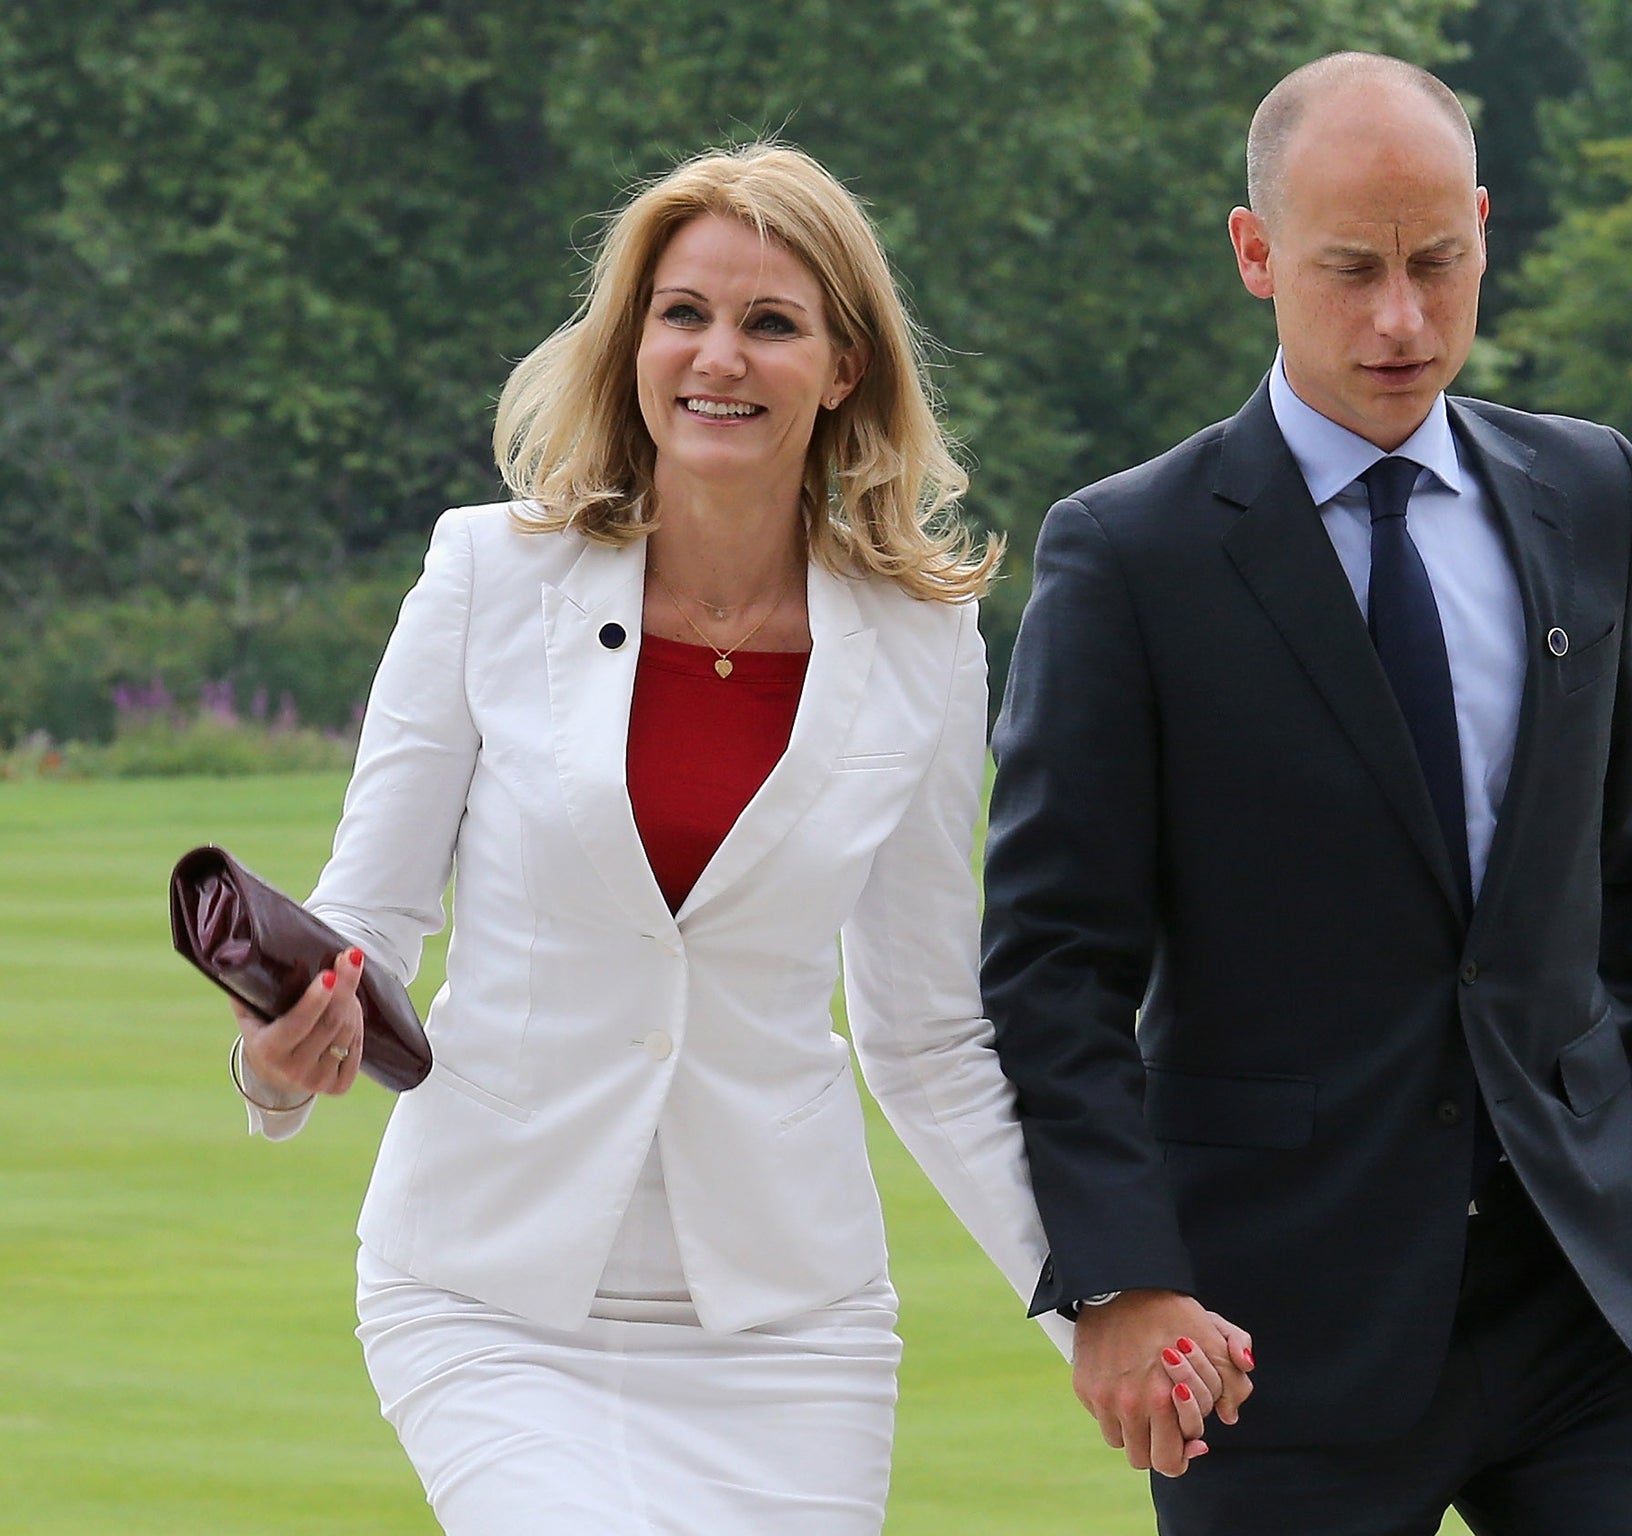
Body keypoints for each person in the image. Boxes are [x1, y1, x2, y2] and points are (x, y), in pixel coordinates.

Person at [224, 143, 1131, 1535]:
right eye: (683, 313)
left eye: (771, 323)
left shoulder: (925, 644)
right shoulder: (486, 573)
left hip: (793, 1330)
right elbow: (366, 929)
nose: (720, 356)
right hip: (487, 1295)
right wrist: (279, 1059)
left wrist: (1096, 1309)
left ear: (843, 368)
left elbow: (928, 1040)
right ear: (631, 342)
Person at [982, 52, 1632, 1535]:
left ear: (1484, 226)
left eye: (1440, 262)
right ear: (1256, 251)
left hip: (1587, 1299)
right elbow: (1053, 961)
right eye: (1351, 269)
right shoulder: (1127, 558)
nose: (1403, 318)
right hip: (1275, 1335)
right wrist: (1120, 1277)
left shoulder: (1589, 490)